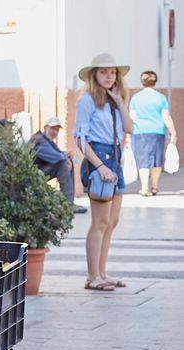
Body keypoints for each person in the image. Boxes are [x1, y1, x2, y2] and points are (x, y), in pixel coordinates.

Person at [74, 53, 134, 292]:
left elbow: (129, 128)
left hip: (116, 157)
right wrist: (99, 166)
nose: (109, 76)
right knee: (99, 221)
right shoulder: (87, 100)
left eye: (113, 72)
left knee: (112, 222)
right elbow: (79, 138)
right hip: (99, 157)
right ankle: (92, 276)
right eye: (104, 72)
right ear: (94, 75)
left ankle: (102, 272)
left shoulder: (114, 100)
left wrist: (120, 102)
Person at [129, 70, 176, 196]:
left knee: (142, 158)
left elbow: (131, 117)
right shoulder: (160, 98)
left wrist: (127, 134)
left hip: (139, 131)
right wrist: (173, 132)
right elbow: (166, 116)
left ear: (142, 81)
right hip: (157, 131)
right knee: (156, 159)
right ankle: (154, 186)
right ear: (155, 82)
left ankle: (144, 187)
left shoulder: (135, 98)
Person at [30, 117, 87, 214]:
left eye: (57, 129)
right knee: (62, 163)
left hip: (40, 172)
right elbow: (55, 156)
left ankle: (69, 201)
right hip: (32, 176)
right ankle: (67, 203)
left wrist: (66, 155)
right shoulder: (39, 140)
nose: (55, 132)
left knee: (67, 160)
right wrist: (64, 157)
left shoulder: (48, 141)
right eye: (52, 128)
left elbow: (57, 154)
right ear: (45, 127)